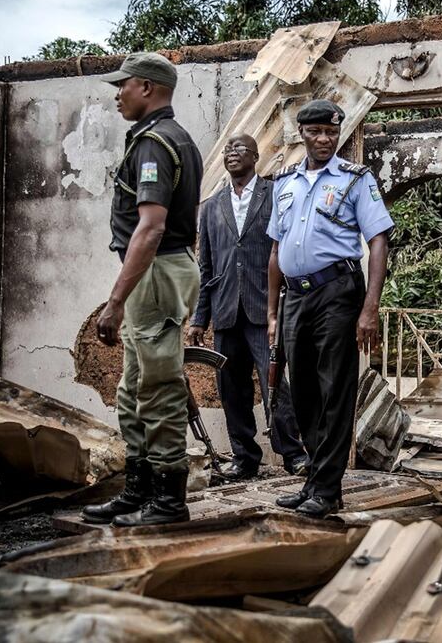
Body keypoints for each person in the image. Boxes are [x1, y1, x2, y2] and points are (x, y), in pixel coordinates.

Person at [81, 52, 202, 527]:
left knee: (157, 387)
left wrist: (114, 303)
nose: (118, 94)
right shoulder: (171, 139)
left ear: (148, 88)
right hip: (156, 273)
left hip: (156, 272)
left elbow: (150, 228)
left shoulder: (155, 143)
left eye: (124, 85)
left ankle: (169, 501)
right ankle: (138, 491)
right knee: (133, 388)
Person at [266, 99, 394, 518]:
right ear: (301, 133)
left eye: (332, 132)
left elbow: (377, 241)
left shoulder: (357, 180)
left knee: (334, 389)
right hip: (295, 296)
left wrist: (369, 308)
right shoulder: (284, 183)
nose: (324, 139)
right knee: (301, 391)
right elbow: (274, 250)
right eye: (316, 132)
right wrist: (272, 312)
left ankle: (328, 488)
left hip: (338, 291)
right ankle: (313, 481)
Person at [186, 133, 309, 480]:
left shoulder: (276, 196)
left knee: (275, 385)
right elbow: (206, 268)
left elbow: (287, 252)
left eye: (239, 149)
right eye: (227, 149)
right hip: (226, 312)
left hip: (264, 309)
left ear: (256, 156)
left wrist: (286, 306)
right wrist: (200, 318)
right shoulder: (211, 207)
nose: (231, 153)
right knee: (231, 389)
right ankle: (245, 459)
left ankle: (293, 454)